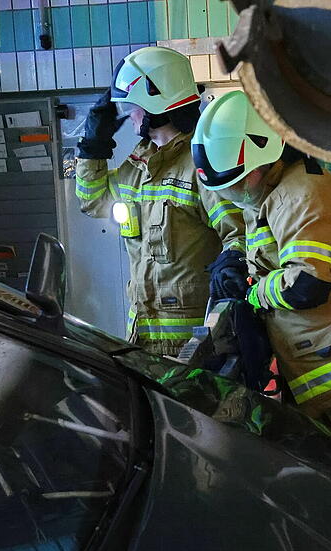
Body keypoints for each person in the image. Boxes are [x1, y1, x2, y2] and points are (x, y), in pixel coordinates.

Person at [191, 90, 331, 472]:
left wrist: (252, 292)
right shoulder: (267, 192)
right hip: (325, 372)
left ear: (263, 158)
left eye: (234, 180)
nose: (229, 192)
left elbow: (305, 286)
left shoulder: (303, 194)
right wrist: (237, 261)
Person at [74, 47, 247, 357]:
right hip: (141, 335)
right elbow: (92, 200)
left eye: (133, 106)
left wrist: (232, 270)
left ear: (157, 104)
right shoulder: (136, 165)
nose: (128, 115)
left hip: (193, 344)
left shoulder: (201, 164)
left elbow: (239, 234)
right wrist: (92, 148)